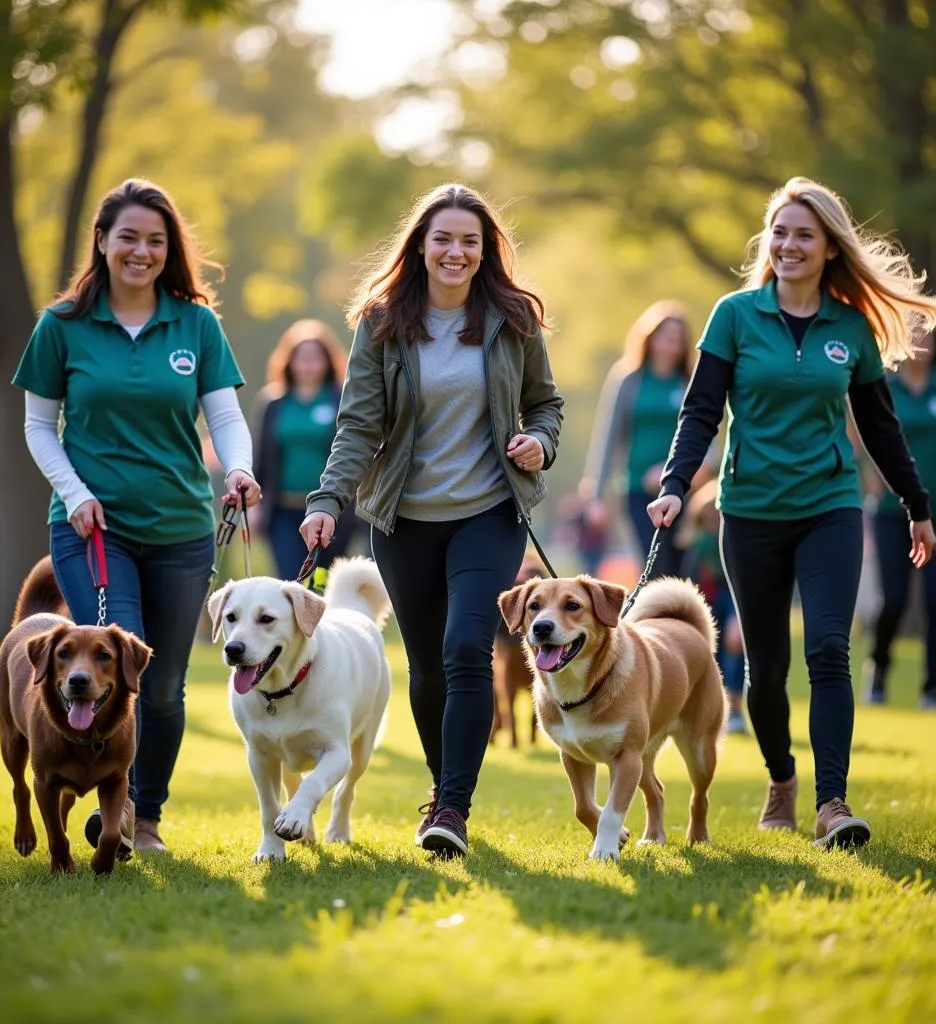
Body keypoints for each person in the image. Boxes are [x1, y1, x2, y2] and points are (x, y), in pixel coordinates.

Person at [649, 175, 936, 850]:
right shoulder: (735, 315)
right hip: (748, 510)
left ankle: (832, 802)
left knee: (829, 647)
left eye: (804, 234)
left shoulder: (850, 328)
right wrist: (674, 482)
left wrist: (916, 505)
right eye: (779, 232)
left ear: (831, 247)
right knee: (767, 667)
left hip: (830, 506)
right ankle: (782, 778)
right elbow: (700, 409)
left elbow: (881, 425)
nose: (788, 244)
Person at [299, 183, 564, 857]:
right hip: (403, 518)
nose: (455, 251)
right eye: (443, 238)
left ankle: (451, 807)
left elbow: (546, 405)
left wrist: (541, 443)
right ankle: (440, 786)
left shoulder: (514, 319)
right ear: (420, 244)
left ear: (485, 250)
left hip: (489, 510)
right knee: (427, 668)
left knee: (467, 648)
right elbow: (358, 423)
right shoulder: (383, 322)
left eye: (469, 241)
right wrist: (328, 500)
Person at [13, 177, 260, 856]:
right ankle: (94, 798)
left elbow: (227, 415)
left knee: (162, 686)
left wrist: (237, 469)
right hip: (92, 527)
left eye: (156, 240)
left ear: (168, 248)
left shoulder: (195, 323)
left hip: (182, 527)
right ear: (102, 240)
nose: (141, 251)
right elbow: (38, 426)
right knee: (115, 662)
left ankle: (141, 817)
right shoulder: (61, 325)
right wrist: (76, 490)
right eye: (128, 237)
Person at [580, 301, 714, 578]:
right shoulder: (628, 379)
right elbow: (609, 436)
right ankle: (652, 621)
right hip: (637, 489)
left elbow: (709, 435)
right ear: (649, 339)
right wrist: (595, 494)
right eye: (664, 337)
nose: (670, 345)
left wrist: (674, 471)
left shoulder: (690, 381)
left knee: (683, 571)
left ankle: (679, 621)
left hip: (684, 490)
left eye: (677, 339)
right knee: (655, 565)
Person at [250, 319, 360, 579]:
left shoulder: (341, 398)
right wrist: (253, 506)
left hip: (333, 514)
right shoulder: (273, 403)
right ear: (288, 360)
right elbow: (261, 460)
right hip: (284, 513)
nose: (309, 363)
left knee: (322, 584)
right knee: (291, 583)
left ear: (328, 360)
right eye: (302, 357)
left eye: (315, 357)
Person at [862, 329, 936, 710]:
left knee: (935, 601)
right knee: (893, 598)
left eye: (930, 339)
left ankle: (931, 687)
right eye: (917, 338)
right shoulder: (884, 385)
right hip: (892, 512)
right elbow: (865, 437)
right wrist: (871, 479)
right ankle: (879, 667)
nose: (923, 346)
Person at [676, 477, 747, 733]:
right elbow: (688, 583)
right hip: (705, 605)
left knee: (735, 650)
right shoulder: (697, 546)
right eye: (708, 517)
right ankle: (705, 711)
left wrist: (739, 617)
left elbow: (741, 579)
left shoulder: (736, 542)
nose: (713, 523)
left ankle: (735, 709)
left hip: (732, 601)